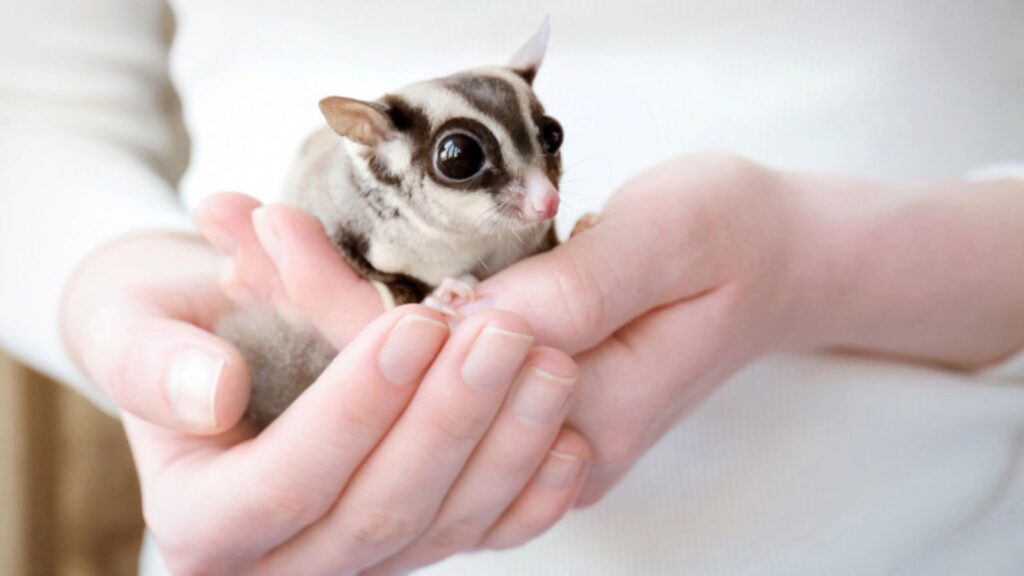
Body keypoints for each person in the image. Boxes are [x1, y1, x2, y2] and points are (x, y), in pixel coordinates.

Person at [2, 1, 1023, 574]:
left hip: (921, 521)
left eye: (546, 150)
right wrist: (118, 287)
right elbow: (33, 111)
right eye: (467, 162)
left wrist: (823, 259)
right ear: (383, 147)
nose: (537, 198)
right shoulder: (352, 179)